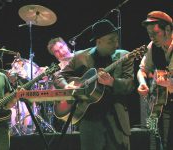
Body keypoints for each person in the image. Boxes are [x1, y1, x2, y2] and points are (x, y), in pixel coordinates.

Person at [53, 19, 135, 150]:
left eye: (116, 39)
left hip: (116, 120)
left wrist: (112, 82)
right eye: (111, 41)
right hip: (90, 121)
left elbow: (129, 85)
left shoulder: (124, 56)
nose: (116, 44)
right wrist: (65, 86)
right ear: (98, 42)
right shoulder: (81, 57)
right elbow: (59, 75)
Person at [137, 11, 173, 150]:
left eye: (155, 33)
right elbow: (142, 70)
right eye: (149, 34)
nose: (152, 37)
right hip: (156, 105)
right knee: (153, 138)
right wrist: (142, 83)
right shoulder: (152, 46)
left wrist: (169, 83)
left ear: (168, 29)